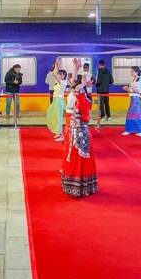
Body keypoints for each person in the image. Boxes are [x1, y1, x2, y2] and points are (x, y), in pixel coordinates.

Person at [61, 70, 98, 198]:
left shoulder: (85, 101)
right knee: (75, 160)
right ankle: (77, 185)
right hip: (76, 133)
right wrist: (76, 70)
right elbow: (74, 86)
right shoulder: (81, 99)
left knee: (80, 161)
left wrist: (83, 82)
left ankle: (80, 186)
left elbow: (77, 89)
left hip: (81, 135)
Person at [46, 58, 70, 142]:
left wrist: (56, 65)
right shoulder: (58, 82)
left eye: (62, 74)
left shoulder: (63, 82)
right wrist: (56, 66)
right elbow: (54, 73)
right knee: (55, 116)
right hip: (56, 100)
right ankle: (58, 132)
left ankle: (62, 135)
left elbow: (54, 74)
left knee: (59, 118)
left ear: (64, 76)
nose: (60, 75)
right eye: (60, 74)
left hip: (59, 101)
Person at [123, 67, 141, 135]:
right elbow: (131, 90)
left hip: (137, 100)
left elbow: (138, 91)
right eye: (131, 71)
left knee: (137, 115)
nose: (131, 73)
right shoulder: (133, 79)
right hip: (132, 99)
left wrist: (130, 86)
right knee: (130, 115)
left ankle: (139, 130)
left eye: (132, 71)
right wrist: (126, 89)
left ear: (137, 72)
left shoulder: (139, 80)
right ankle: (129, 130)